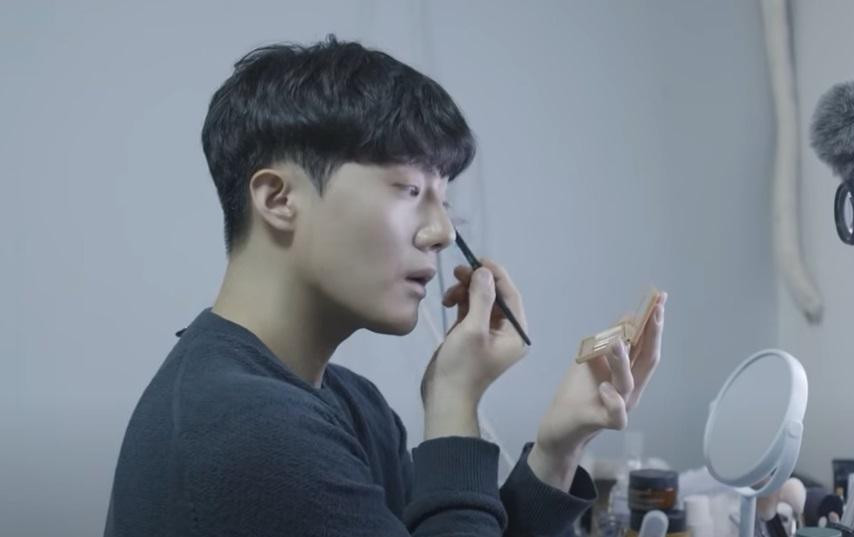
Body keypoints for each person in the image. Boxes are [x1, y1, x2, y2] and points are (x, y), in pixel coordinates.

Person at [104, 36, 667, 537]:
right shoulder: (247, 431)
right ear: (278, 199)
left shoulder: (354, 406)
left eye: (444, 201)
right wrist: (453, 402)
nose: (442, 233)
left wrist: (558, 450)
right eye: (409, 190)